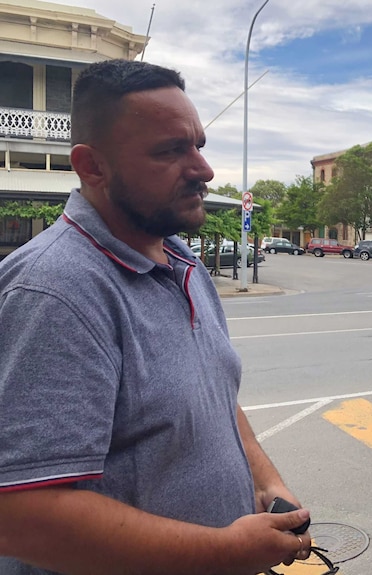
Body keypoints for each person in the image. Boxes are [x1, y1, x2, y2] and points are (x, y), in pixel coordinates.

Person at [0, 60, 311, 575]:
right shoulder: (56, 290)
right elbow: (21, 515)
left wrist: (265, 481)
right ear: (92, 166)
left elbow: (213, 395)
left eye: (198, 146)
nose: (203, 170)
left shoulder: (183, 263)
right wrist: (224, 552)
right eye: (170, 151)